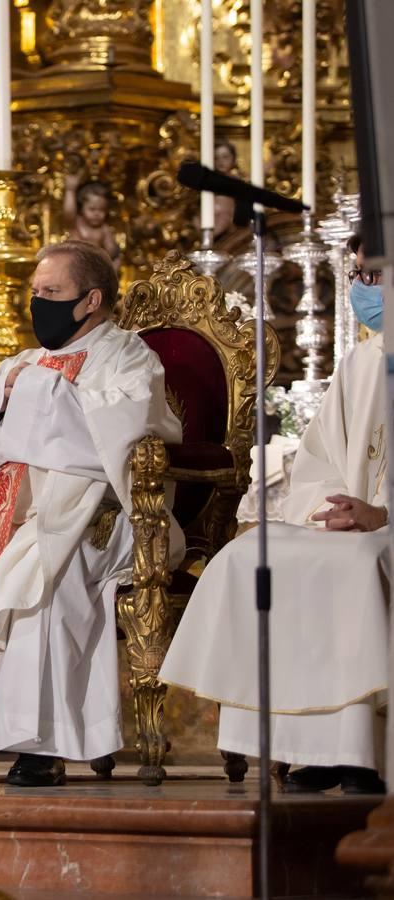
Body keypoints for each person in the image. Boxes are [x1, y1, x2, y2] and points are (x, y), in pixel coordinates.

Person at [0, 240, 182, 787]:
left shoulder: (128, 356)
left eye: (51, 293)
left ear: (90, 300)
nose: (37, 304)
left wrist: (35, 398)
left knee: (44, 584)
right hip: (4, 511)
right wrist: (6, 396)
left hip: (88, 516)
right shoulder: (23, 362)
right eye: (34, 293)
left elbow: (120, 433)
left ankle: (40, 746)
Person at [160, 235, 388, 794]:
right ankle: (313, 747)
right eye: (358, 278)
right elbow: (322, 457)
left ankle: (359, 752)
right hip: (356, 523)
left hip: (385, 531)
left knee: (356, 567)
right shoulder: (363, 361)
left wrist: (379, 515)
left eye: (375, 277)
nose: (365, 291)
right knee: (250, 556)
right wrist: (329, 507)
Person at [63, 175, 121, 261]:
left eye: (102, 210)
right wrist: (70, 190)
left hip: (94, 263)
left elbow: (111, 251)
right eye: (92, 209)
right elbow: (68, 212)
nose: (97, 214)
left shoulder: (103, 228)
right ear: (82, 208)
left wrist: (112, 251)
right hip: (75, 261)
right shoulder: (76, 222)